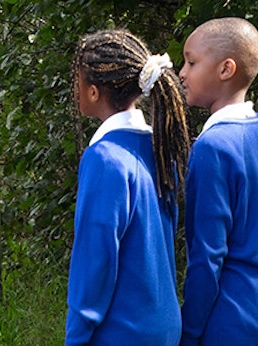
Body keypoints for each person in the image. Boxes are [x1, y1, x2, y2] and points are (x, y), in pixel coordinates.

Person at [65, 28, 189, 346]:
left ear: (93, 92)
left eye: (76, 78)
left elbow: (96, 258)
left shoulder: (104, 158)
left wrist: (76, 336)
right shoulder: (159, 145)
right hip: (164, 326)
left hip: (121, 332)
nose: (74, 88)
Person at [175, 17, 258, 346]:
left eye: (192, 62)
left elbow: (207, 255)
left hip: (233, 314)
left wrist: (188, 332)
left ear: (226, 69)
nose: (182, 72)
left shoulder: (211, 148)